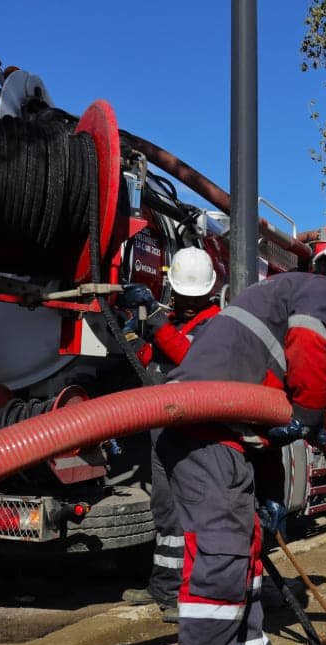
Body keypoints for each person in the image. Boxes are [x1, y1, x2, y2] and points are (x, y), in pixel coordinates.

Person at [155, 241, 326, 645]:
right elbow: (308, 350)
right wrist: (314, 411)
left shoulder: (274, 292)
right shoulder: (319, 291)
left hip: (216, 435)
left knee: (246, 556)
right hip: (206, 436)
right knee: (220, 567)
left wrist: (274, 481)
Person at [119, 247, 222, 622]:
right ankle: (163, 586)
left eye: (194, 297)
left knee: (190, 514)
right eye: (183, 297)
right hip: (162, 429)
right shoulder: (175, 322)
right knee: (165, 511)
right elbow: (154, 362)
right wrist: (131, 336)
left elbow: (188, 359)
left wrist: (157, 323)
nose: (188, 304)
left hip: (193, 433)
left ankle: (186, 594)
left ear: (210, 293)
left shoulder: (216, 325)